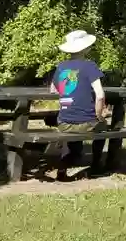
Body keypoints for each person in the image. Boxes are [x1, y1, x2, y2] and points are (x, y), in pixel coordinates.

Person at [50, 29, 108, 178]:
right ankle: (96, 164)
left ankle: (64, 166)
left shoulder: (61, 66)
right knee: (103, 126)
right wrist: (99, 115)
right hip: (86, 123)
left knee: (70, 132)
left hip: (63, 122)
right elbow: (100, 95)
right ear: (86, 48)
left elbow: (53, 90)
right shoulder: (89, 66)